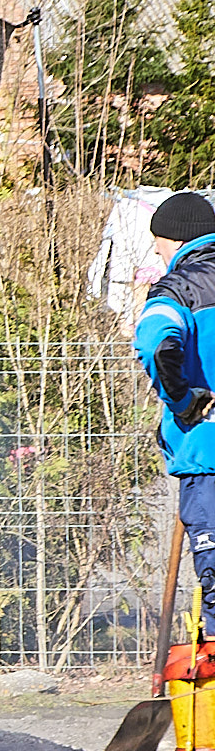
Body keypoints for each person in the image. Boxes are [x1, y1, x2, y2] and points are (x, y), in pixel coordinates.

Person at [137, 190, 215, 637]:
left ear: (178, 241)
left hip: (208, 456)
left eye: (158, 244)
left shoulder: (178, 290)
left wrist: (183, 401)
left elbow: (155, 344)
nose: (157, 253)